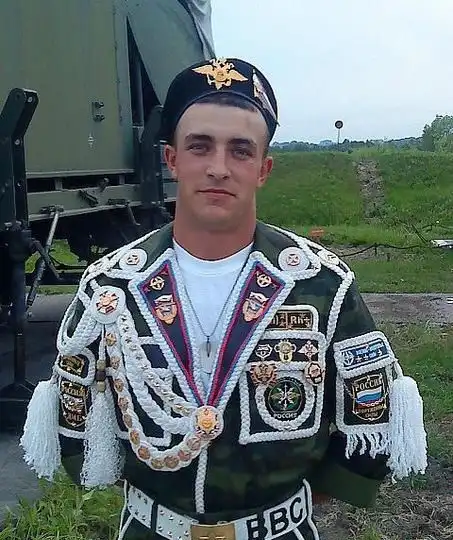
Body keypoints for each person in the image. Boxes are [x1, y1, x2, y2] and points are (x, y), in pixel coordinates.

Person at [20, 57, 428, 540]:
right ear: (172, 159)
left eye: (240, 150)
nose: (218, 168)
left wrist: (284, 501)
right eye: (200, 146)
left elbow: (369, 412)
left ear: (263, 168)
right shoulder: (112, 286)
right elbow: (76, 416)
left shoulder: (319, 283)